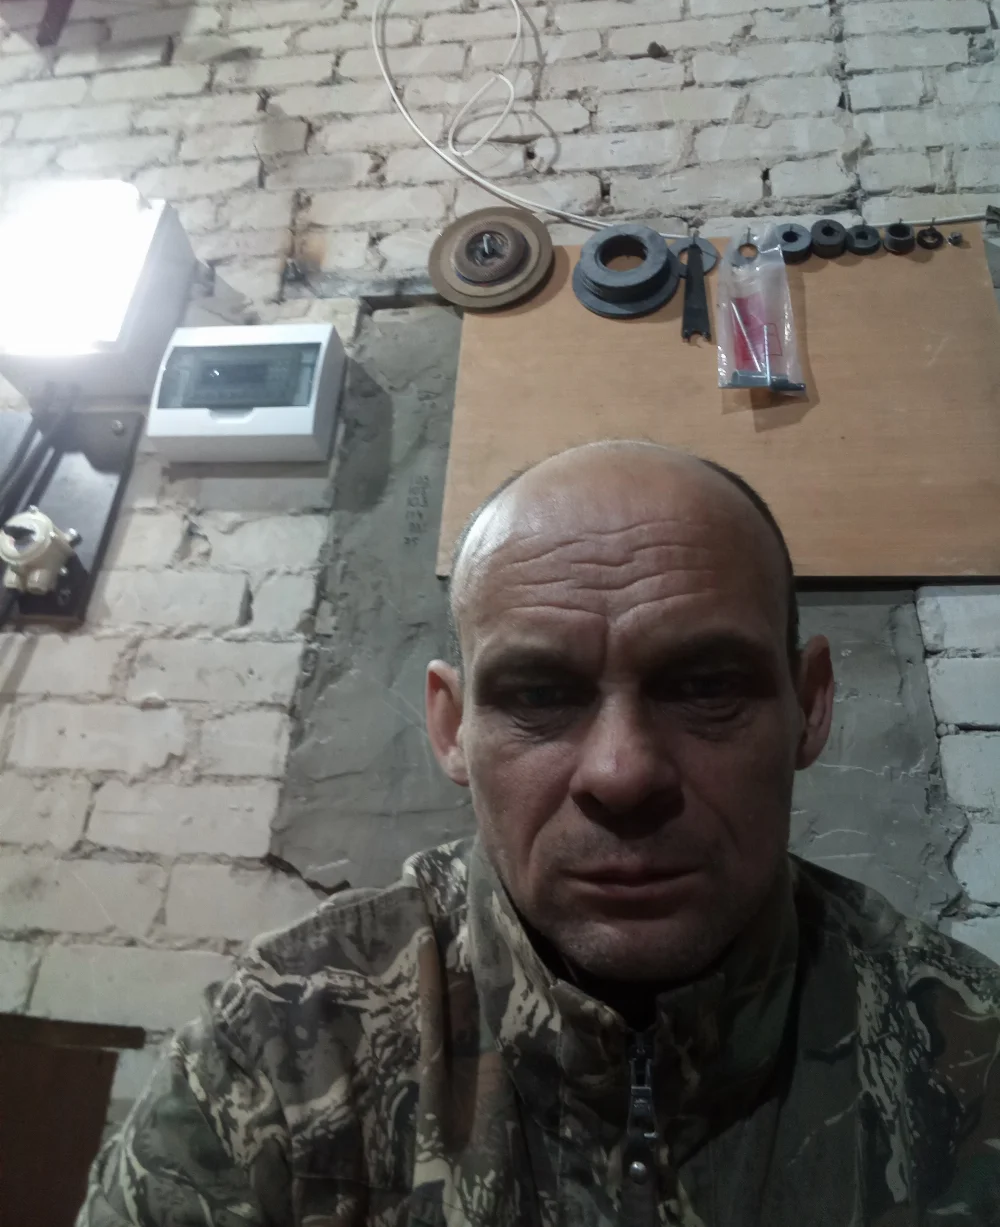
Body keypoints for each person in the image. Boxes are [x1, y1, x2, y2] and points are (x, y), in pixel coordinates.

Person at [80, 440, 1000, 1227]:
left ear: (810, 705)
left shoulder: (971, 1058)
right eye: (538, 694)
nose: (622, 772)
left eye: (707, 686)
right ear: (452, 728)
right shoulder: (280, 1048)